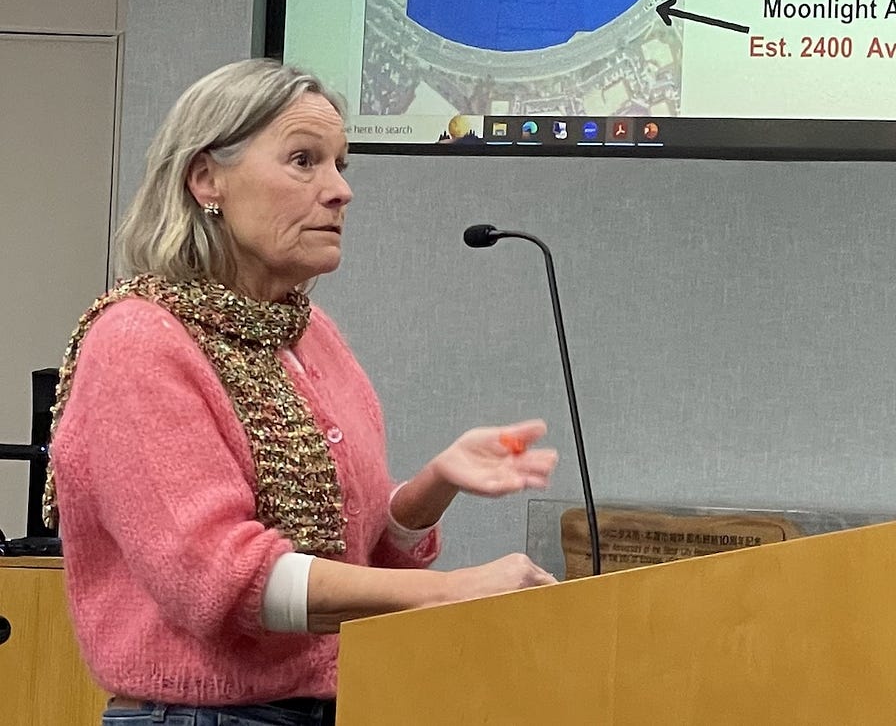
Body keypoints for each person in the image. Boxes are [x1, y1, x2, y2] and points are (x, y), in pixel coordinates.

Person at [44, 58, 559, 726]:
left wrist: (436, 480)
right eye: (304, 160)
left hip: (333, 704)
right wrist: (449, 590)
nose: (340, 190)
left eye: (341, 164)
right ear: (206, 178)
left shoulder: (309, 333)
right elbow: (221, 579)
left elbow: (355, 555)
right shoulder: (138, 341)